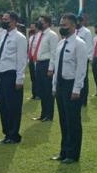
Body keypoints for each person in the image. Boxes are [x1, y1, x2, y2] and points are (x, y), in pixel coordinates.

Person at [51, 13, 87, 164]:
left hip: (72, 85)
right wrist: (54, 85)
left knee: (73, 121)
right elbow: (57, 66)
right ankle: (64, 151)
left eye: (64, 25)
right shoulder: (61, 44)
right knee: (63, 120)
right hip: (60, 85)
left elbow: (81, 69)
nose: (61, 27)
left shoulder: (79, 43)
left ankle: (73, 154)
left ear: (73, 25)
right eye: (61, 24)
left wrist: (77, 89)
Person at [0, 12, 27, 144]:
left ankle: (14, 135)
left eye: (6, 19)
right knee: (3, 105)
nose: (3, 21)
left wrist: (20, 78)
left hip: (12, 74)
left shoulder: (19, 38)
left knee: (13, 106)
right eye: (3, 19)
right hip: (2, 73)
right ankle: (7, 133)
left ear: (13, 21)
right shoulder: (3, 35)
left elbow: (22, 60)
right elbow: (0, 56)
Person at [32, 15, 58, 122]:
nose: (39, 23)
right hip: (39, 64)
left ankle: (49, 114)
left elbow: (54, 53)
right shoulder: (38, 34)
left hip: (47, 64)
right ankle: (43, 114)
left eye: (41, 21)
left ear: (47, 23)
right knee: (41, 91)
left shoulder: (52, 35)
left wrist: (51, 69)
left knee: (48, 91)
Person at [75, 16, 93, 107]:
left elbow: (89, 46)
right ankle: (76, 97)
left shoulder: (86, 32)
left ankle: (83, 101)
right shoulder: (74, 31)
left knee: (83, 79)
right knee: (75, 78)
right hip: (74, 59)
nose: (77, 23)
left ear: (82, 22)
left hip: (83, 59)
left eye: (78, 21)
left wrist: (88, 58)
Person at [27, 24, 38, 100]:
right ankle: (34, 94)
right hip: (31, 59)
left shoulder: (39, 37)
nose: (31, 29)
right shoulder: (31, 38)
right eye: (30, 27)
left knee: (37, 78)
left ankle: (39, 94)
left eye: (33, 27)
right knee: (33, 77)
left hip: (36, 60)